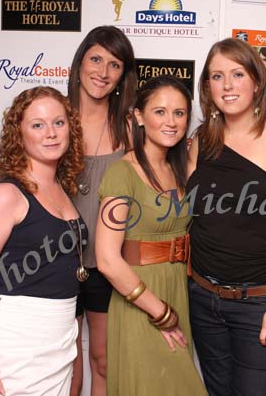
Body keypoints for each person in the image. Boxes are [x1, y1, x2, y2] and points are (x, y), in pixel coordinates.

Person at [187, 38, 266, 396]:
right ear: (207, 87)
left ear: (257, 82)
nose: (227, 85)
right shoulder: (202, 140)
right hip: (204, 298)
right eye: (217, 76)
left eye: (237, 74)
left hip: (259, 304)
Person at [0, 86, 86, 396]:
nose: (51, 133)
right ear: (19, 134)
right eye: (37, 125)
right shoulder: (7, 195)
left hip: (59, 341)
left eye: (59, 122)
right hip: (17, 342)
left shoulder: (62, 190)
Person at [95, 75, 207, 396]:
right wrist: (160, 311)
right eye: (159, 112)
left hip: (176, 291)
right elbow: (106, 259)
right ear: (139, 116)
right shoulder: (122, 174)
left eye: (179, 113)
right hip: (141, 300)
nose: (170, 122)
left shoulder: (181, 169)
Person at [67, 25, 137, 396]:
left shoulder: (128, 125)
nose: (103, 72)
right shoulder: (55, 118)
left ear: (123, 75)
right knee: (64, 365)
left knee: (104, 360)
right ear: (80, 62)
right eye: (96, 59)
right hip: (55, 261)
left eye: (115, 65)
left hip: (108, 264)